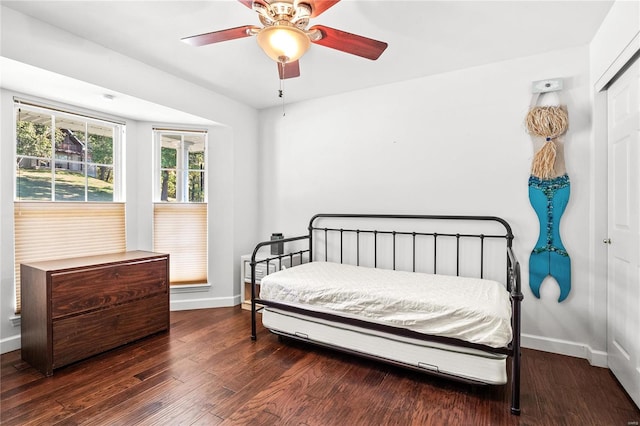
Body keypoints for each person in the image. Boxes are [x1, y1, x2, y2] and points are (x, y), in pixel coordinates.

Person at [526, 97, 571, 302]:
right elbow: (529, 114)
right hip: (537, 184)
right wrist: (536, 93)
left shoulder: (559, 137)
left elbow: (565, 111)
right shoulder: (536, 136)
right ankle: (543, 257)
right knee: (546, 226)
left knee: (553, 228)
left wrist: (559, 90)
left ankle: (553, 256)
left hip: (561, 184)